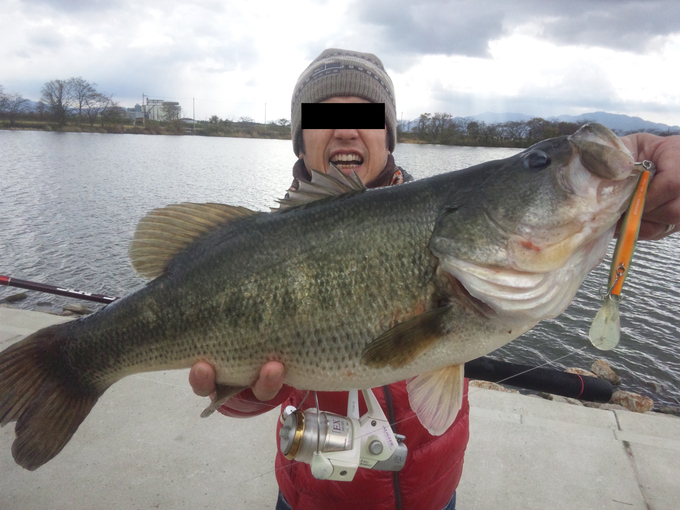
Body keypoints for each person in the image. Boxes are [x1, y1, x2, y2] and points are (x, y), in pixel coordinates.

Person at [189, 49, 680, 510]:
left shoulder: (444, 213)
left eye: (365, 117)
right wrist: (243, 396)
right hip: (313, 497)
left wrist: (647, 162)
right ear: (300, 139)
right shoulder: (252, 251)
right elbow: (233, 391)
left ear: (387, 135)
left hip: (432, 491)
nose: (343, 131)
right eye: (321, 118)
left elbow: (592, 206)